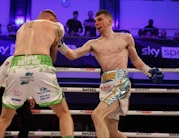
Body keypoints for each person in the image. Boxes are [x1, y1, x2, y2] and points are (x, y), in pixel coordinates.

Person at [58, 9, 164, 138]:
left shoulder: (125, 37)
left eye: (100, 19)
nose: (96, 23)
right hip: (105, 86)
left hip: (121, 84)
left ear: (110, 21)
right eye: (96, 20)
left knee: (96, 115)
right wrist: (60, 44)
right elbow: (73, 55)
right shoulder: (93, 43)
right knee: (113, 132)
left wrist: (149, 71)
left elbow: (135, 60)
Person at [0, 9, 74, 138]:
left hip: (16, 65)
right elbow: (64, 50)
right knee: (64, 114)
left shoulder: (22, 28)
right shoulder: (55, 25)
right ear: (52, 20)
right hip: (39, 64)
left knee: (4, 120)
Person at [0, 56, 35, 138]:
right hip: (6, 91)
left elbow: (27, 80)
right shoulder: (11, 59)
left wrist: (30, 97)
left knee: (27, 118)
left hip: (21, 92)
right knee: (1, 119)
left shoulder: (32, 63)